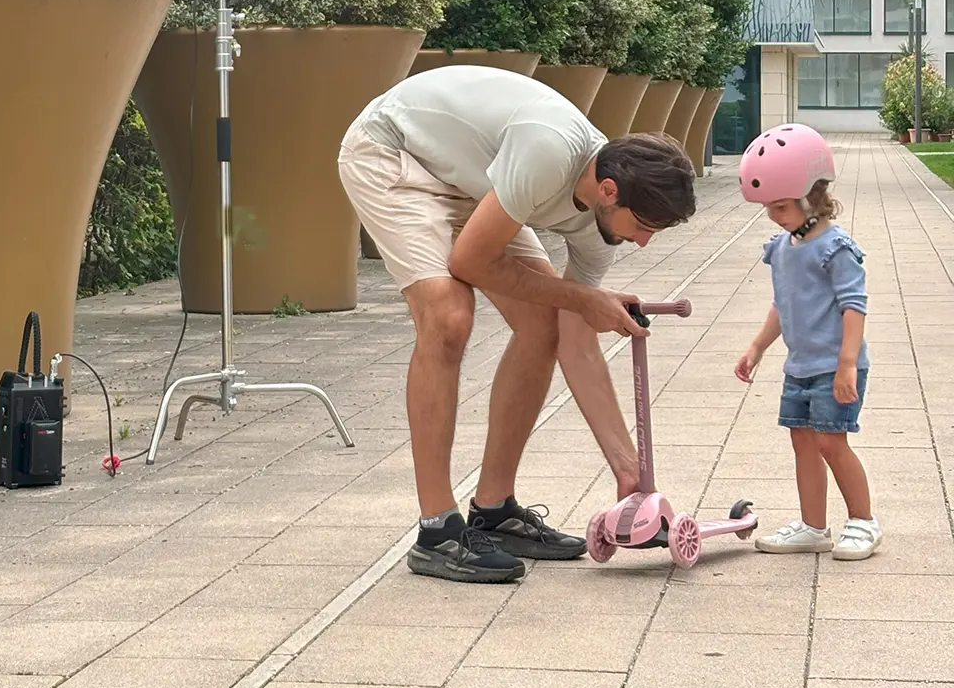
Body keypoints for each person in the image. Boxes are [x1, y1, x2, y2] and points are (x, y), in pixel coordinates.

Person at [338, 65, 698, 584]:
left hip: (472, 179)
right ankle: (438, 530)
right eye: (643, 227)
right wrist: (583, 297)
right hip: (393, 153)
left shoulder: (602, 227)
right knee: (448, 316)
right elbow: (470, 263)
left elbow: (578, 344)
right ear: (609, 190)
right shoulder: (548, 153)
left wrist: (629, 471)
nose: (643, 242)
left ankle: (494, 509)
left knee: (546, 327)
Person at [733, 123, 880, 559]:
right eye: (768, 208)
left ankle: (863, 522)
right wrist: (758, 346)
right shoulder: (781, 248)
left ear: (812, 196)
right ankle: (814, 527)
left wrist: (847, 363)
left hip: (836, 365)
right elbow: (783, 303)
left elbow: (855, 306)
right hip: (798, 366)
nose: (773, 216)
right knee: (802, 441)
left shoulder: (837, 249)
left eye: (780, 206)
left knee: (831, 442)